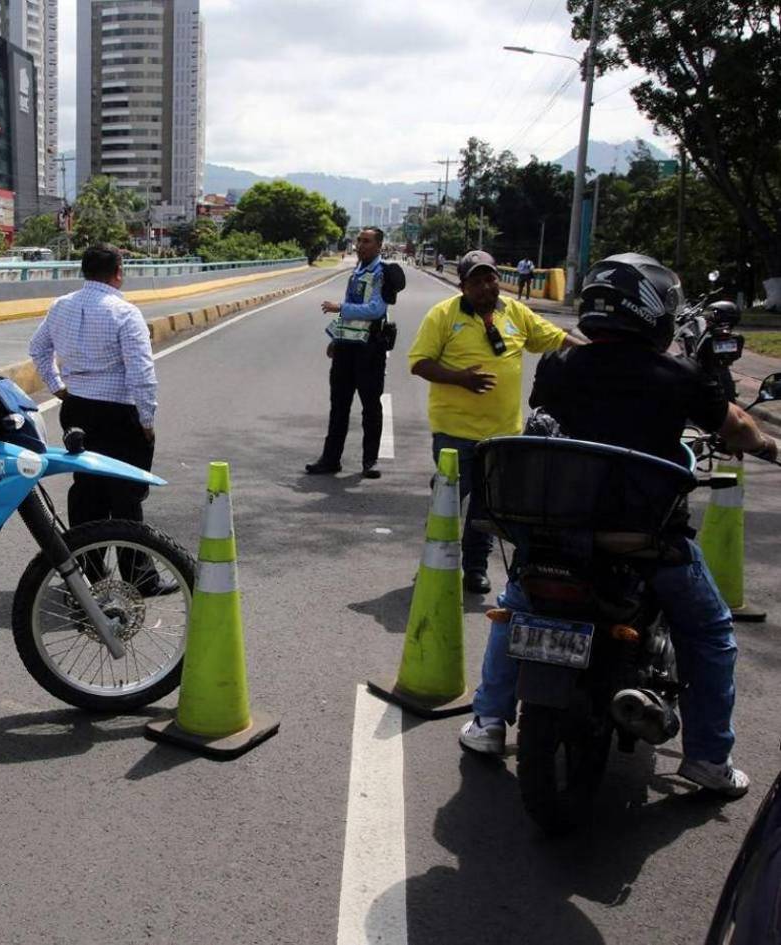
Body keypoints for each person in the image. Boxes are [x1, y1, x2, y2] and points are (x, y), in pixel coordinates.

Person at [459, 253, 778, 797]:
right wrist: (768, 444)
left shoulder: (559, 365)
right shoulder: (679, 376)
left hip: (557, 531)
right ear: (652, 310)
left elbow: (547, 421)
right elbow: (739, 426)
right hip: (641, 539)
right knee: (710, 631)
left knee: (517, 608)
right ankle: (706, 760)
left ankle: (489, 722)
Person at [408, 250, 579, 594]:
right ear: (464, 286)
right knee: (449, 502)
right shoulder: (443, 315)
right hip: (454, 432)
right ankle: (434, 562)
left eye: (490, 279)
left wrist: (598, 354)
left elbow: (557, 338)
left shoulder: (515, 312)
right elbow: (419, 363)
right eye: (477, 281)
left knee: (488, 509)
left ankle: (475, 568)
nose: (486, 287)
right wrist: (461, 378)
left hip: (503, 434)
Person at [28, 244, 173, 593]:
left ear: (84, 270)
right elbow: (141, 371)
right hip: (120, 413)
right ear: (118, 271)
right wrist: (147, 418)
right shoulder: (125, 313)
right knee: (126, 497)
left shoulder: (60, 306)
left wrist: (57, 386)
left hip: (76, 409)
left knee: (87, 493)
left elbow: (37, 348)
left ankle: (90, 577)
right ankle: (141, 578)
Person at [306, 227, 389, 477]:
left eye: (366, 242)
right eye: (359, 241)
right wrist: (336, 337)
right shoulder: (358, 271)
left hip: (369, 349)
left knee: (370, 407)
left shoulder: (382, 273)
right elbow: (351, 310)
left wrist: (339, 307)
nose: (360, 245)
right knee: (339, 405)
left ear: (378, 246)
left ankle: (370, 461)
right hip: (346, 347)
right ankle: (330, 459)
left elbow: (375, 310)